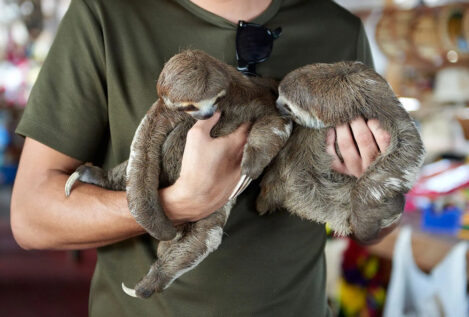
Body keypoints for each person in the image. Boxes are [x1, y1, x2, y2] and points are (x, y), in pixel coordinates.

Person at [11, 0, 398, 315]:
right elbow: (31, 218)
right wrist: (182, 202)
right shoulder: (105, 13)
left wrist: (371, 190)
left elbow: (374, 229)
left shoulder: (338, 31)